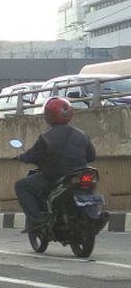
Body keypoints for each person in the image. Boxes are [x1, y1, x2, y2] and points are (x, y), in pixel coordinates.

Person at [15, 97, 96, 232]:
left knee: (21, 186)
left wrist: (21, 157)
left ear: (48, 116)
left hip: (54, 176)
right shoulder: (82, 135)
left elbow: (32, 155)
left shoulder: (46, 137)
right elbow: (91, 156)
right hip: (80, 174)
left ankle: (37, 219)